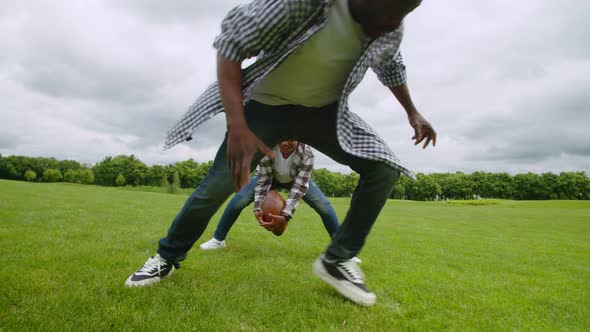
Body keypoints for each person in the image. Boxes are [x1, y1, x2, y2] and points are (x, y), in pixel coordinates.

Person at [126, 0, 436, 307]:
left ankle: (338, 259)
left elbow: (392, 65)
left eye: (405, 14)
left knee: (384, 168)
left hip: (323, 112)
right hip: (266, 107)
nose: (395, 23)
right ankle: (165, 257)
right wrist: (237, 125)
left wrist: (413, 112)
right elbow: (232, 42)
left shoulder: (390, 28)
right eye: (392, 10)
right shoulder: (305, 4)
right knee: (218, 186)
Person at [199, 140, 342, 249]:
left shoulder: (307, 154)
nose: (285, 143)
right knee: (238, 200)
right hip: (270, 177)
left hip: (295, 180)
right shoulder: (267, 147)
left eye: (291, 140)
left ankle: (341, 250)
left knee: (325, 207)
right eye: (283, 139)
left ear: (298, 139)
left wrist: (286, 215)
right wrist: (257, 208)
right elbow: (263, 180)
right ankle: (218, 240)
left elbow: (299, 187)